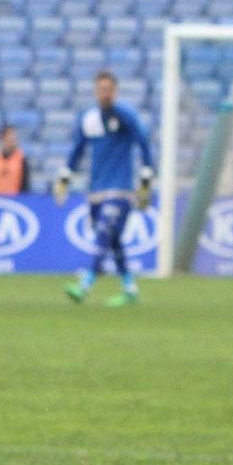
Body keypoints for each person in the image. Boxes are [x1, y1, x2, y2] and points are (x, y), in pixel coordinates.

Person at [56, 71, 153, 306]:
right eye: (101, 89)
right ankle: (130, 290)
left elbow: (143, 142)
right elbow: (78, 150)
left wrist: (146, 179)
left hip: (120, 189)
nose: (105, 93)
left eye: (109, 88)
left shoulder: (126, 115)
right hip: (96, 190)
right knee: (114, 239)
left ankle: (85, 284)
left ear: (115, 91)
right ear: (95, 91)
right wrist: (65, 178)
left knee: (104, 231)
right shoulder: (88, 119)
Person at [0, 123, 31, 195]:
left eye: (14, 138)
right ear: (2, 139)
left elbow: (25, 185)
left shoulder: (22, 159)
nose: (13, 140)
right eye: (10, 137)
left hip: (15, 201)